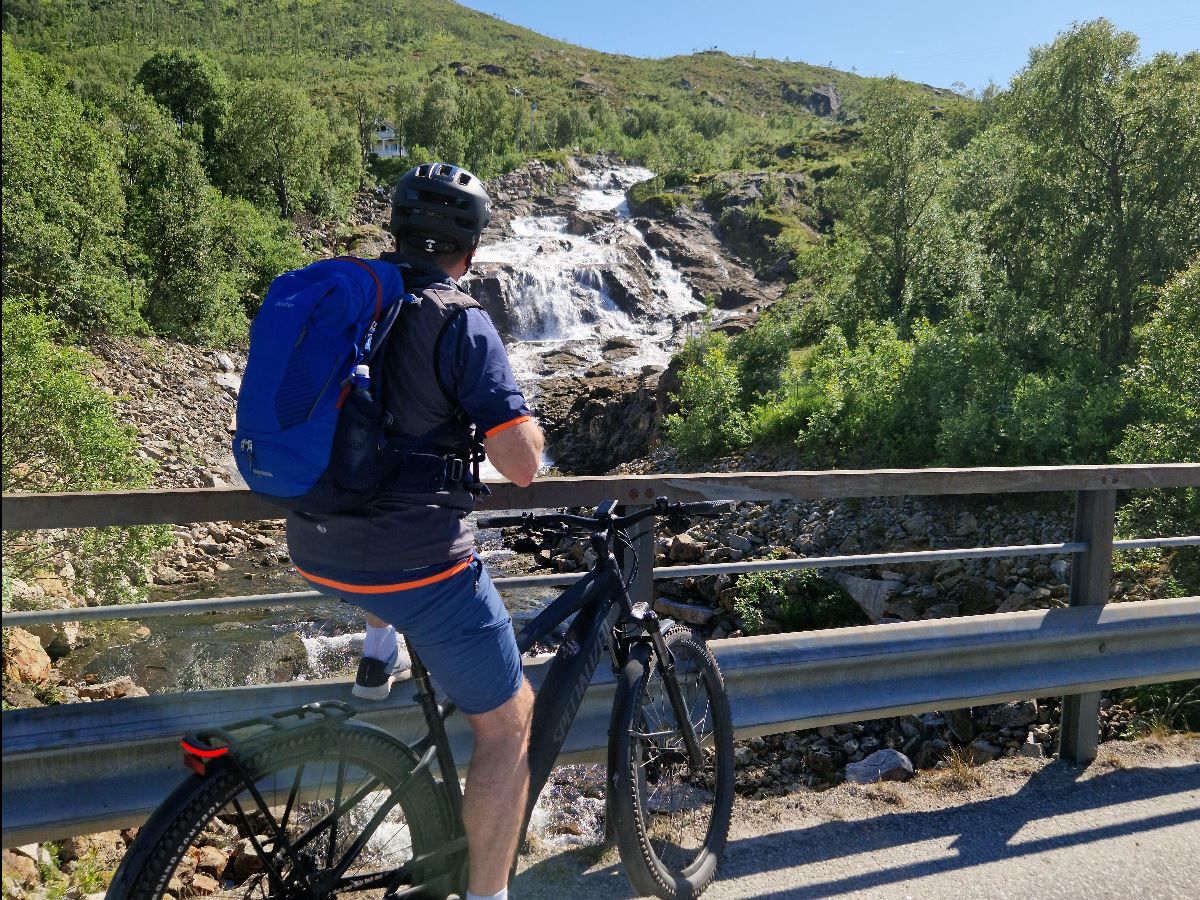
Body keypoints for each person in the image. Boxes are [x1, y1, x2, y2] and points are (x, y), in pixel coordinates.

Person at [285, 162, 545, 900]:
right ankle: (488, 895)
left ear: (396, 230)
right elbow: (521, 465)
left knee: (390, 527)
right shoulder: (459, 318)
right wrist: (528, 429)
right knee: (509, 723)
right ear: (471, 247)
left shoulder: (348, 302)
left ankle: (378, 651)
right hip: (413, 566)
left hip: (314, 545)